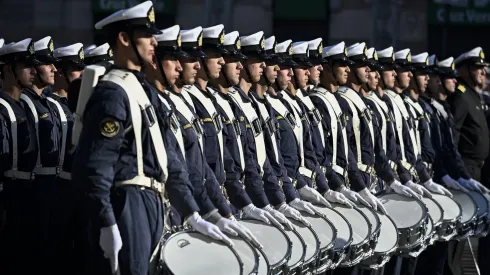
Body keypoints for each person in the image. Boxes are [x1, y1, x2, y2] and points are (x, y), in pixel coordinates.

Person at [71, 2, 231, 274]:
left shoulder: (145, 92)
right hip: (127, 202)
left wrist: (192, 212)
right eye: (146, 35)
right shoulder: (112, 93)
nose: (154, 41)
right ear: (124, 38)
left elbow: (169, 157)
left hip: (153, 201)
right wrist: (106, 221)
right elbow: (95, 167)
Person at [184, 24, 282, 226]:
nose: (236, 65)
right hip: (205, 203)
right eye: (219, 56)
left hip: (230, 200)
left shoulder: (222, 102)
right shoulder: (192, 101)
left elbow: (247, 158)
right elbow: (201, 164)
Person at [0, 38, 40, 274]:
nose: (33, 70)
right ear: (8, 69)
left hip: (27, 193)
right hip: (9, 195)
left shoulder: (23, 105)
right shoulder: (2, 107)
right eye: (26, 65)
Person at [449, 46, 490, 275]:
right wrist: (459, 173)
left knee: (470, 228)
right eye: (477, 68)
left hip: (478, 171)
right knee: (460, 227)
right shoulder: (462, 97)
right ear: (463, 70)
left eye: (483, 69)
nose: (482, 72)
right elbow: (452, 137)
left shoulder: (475, 96)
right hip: (466, 171)